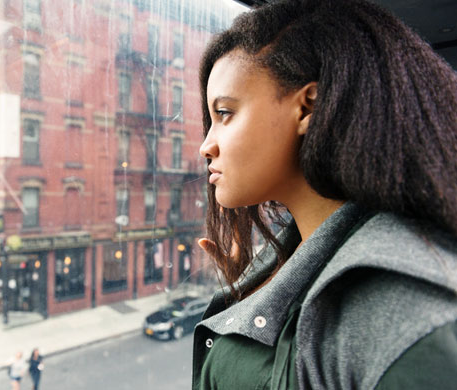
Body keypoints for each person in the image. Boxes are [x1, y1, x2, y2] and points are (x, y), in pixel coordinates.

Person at [193, 0, 457, 389]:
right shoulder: (295, 254)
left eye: (226, 113)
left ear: (308, 107)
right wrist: (247, 298)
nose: (206, 146)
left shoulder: (402, 314)